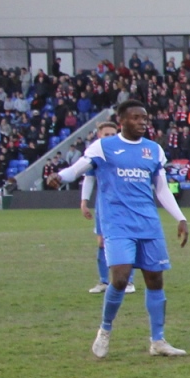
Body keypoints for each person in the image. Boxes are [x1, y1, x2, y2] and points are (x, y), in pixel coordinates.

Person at [57, 98, 189, 359]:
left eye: (145, 118)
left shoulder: (153, 150)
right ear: (123, 121)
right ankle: (105, 330)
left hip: (148, 224)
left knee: (155, 280)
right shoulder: (104, 147)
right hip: (117, 224)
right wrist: (57, 177)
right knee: (119, 278)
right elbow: (75, 172)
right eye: (136, 118)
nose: (142, 122)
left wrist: (180, 218)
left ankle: (158, 340)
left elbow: (161, 189)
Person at [81, 122, 134, 296]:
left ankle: (128, 281)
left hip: (124, 204)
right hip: (103, 205)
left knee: (124, 241)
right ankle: (104, 281)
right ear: (99, 136)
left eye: (113, 134)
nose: (111, 138)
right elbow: (89, 178)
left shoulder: (125, 152)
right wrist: (84, 201)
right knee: (102, 242)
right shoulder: (96, 154)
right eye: (107, 135)